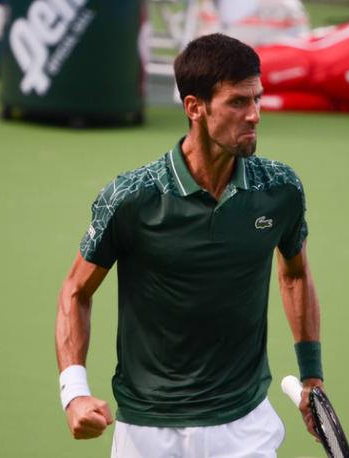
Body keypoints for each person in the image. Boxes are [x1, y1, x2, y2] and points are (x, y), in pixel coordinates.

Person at [55, 33, 324, 457]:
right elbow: (76, 290)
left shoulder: (280, 188)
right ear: (194, 107)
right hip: (148, 428)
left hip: (244, 424)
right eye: (238, 102)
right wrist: (75, 392)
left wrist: (312, 379)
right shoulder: (132, 198)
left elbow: (294, 274)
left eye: (257, 99)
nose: (254, 115)